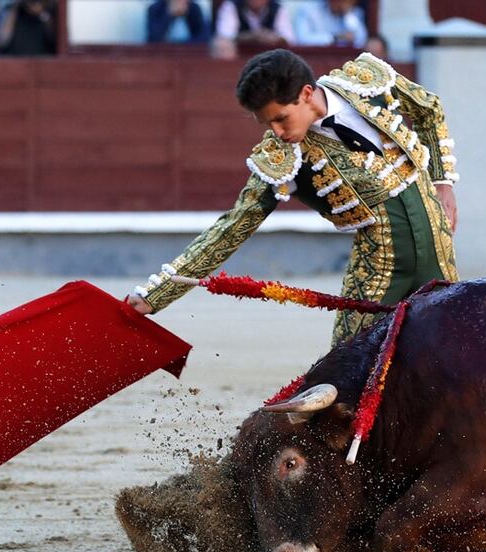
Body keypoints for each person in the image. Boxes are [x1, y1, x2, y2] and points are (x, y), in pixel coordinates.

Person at [129, 49, 461, 343]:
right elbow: (232, 227)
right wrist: (157, 293)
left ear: (306, 93)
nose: (276, 132)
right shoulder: (284, 158)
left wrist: (443, 183)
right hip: (381, 269)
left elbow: (429, 110)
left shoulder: (365, 82)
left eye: (280, 118)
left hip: (439, 247)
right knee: (348, 369)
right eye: (266, 123)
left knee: (458, 353)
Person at [215, 0, 294, 47]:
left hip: (271, 61)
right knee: (222, 45)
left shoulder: (278, 8)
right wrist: (252, 37)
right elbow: (225, 36)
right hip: (239, 56)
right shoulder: (231, 6)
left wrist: (273, 37)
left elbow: (289, 39)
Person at [292, 0, 366, 48]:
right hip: (316, 59)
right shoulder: (308, 9)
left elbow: (361, 41)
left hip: (344, 62)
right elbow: (302, 39)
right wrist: (335, 38)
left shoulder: (355, 13)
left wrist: (348, 14)